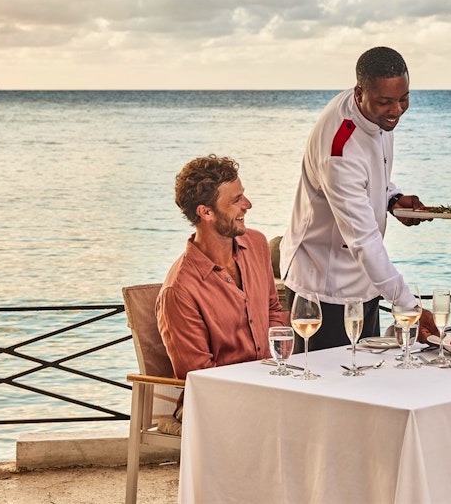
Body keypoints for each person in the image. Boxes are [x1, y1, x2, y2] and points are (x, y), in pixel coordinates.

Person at [280, 46, 436, 350]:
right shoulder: (340, 149)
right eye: (385, 102)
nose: (396, 110)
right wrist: (409, 307)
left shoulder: (377, 115)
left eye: (403, 99)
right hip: (324, 288)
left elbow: (372, 176)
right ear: (359, 92)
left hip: (365, 283)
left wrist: (393, 200)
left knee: (368, 380)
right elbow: (364, 241)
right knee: (327, 391)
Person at [157, 155, 288, 379]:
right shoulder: (179, 291)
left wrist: (274, 366)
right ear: (206, 212)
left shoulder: (256, 244)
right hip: (216, 402)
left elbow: (273, 310)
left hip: (269, 384)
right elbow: (200, 379)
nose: (248, 205)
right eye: (236, 200)